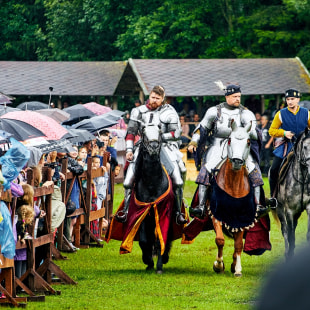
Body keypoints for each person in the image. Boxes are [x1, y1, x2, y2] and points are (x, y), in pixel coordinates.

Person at [188, 82, 267, 218]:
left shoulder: (245, 113)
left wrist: (248, 130)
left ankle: (258, 205)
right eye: (235, 96)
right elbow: (201, 129)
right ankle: (201, 206)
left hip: (239, 146)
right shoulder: (214, 111)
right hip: (217, 145)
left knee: (253, 169)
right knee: (206, 169)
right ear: (227, 97)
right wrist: (194, 141)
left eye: (239, 96)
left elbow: (255, 133)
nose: (238, 99)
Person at [115, 85, 187, 225]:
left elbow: (176, 133)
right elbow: (131, 132)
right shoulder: (138, 111)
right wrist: (129, 150)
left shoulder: (169, 112)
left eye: (157, 98)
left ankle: (179, 212)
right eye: (152, 97)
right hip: (143, 146)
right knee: (128, 181)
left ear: (162, 99)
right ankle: (125, 211)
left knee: (179, 177)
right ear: (149, 96)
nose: (154, 100)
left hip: (165, 146)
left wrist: (158, 137)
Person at [268, 88, 310, 202]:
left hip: (303, 146)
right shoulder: (280, 114)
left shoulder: (306, 113)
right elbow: (271, 131)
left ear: (298, 100)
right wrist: (284, 133)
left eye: (292, 99)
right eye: (288, 99)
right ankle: (273, 197)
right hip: (286, 146)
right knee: (274, 169)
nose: (290, 101)